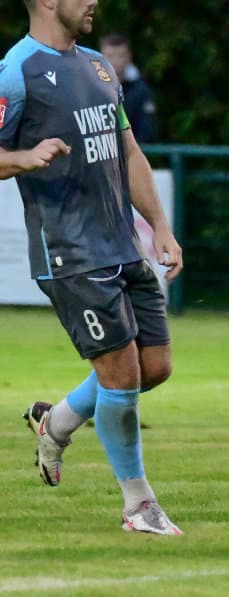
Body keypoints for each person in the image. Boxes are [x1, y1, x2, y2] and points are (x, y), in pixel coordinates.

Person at [1, 0, 184, 535]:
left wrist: (160, 226)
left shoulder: (100, 67)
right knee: (121, 374)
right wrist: (23, 157)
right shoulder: (16, 72)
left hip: (121, 243)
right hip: (70, 251)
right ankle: (138, 506)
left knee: (154, 367)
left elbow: (130, 153)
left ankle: (55, 421)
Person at [99, 32, 157, 144]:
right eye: (110, 56)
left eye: (120, 56)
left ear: (129, 57)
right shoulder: (89, 87)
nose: (115, 61)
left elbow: (147, 130)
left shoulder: (141, 90)